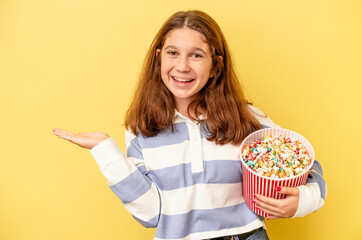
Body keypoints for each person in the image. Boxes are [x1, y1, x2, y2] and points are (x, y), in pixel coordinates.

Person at [53, 10, 326, 240]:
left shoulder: (245, 117)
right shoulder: (142, 129)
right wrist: (105, 151)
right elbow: (150, 215)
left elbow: (304, 163)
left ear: (215, 65)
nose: (182, 66)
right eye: (173, 53)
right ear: (159, 57)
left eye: (196, 55)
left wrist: (302, 201)